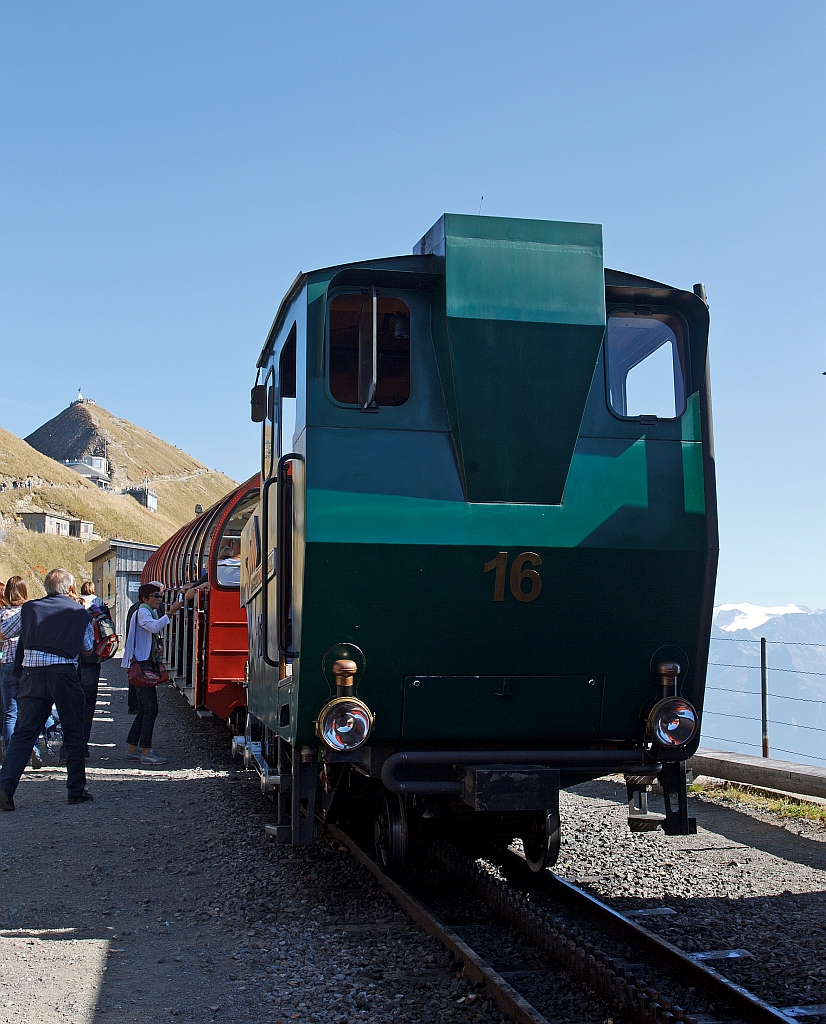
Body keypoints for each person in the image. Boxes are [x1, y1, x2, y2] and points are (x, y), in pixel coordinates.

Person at [0, 568, 94, 811]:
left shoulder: (29, 608)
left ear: (45, 588)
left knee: (23, 733)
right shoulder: (79, 612)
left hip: (31, 673)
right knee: (74, 731)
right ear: (71, 588)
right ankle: (75, 790)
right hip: (63, 673)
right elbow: (87, 647)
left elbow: (6, 632)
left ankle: (5, 788)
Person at [122, 582, 190, 765]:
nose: (160, 599)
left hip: (141, 663)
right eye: (156, 596)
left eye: (160, 596)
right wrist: (171, 612)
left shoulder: (143, 610)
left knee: (144, 709)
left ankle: (132, 749)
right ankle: (146, 751)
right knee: (151, 709)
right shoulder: (143, 611)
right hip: (142, 666)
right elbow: (153, 627)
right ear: (145, 598)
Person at [0, 577, 43, 770]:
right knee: (28, 712)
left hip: (8, 664)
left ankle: (11, 755)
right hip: (28, 665)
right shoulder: (31, 612)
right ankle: (31, 747)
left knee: (10, 713)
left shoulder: (3, 614)